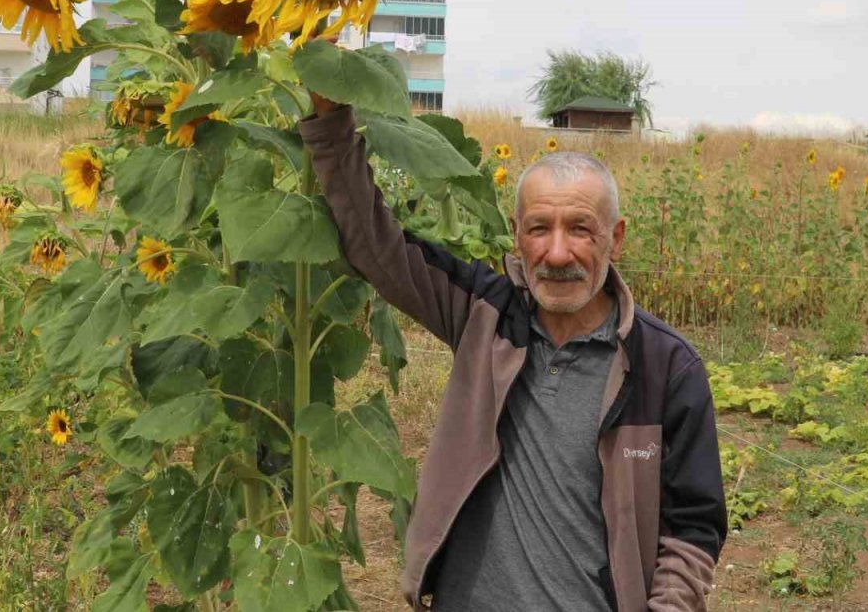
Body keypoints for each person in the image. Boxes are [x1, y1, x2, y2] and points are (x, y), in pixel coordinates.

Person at [299, 94, 727, 612]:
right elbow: (377, 247)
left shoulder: (665, 366)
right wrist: (331, 120)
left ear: (615, 239)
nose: (557, 253)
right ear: (518, 235)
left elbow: (692, 529)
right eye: (539, 228)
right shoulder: (484, 316)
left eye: (580, 229)